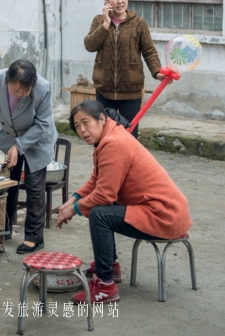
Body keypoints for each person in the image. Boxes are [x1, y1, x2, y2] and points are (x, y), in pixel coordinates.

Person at [56, 100, 192, 304]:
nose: (82, 130)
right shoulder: (109, 137)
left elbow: (104, 195)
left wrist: (74, 210)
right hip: (164, 211)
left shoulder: (113, 143)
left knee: (99, 213)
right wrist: (72, 200)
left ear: (101, 119)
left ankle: (104, 285)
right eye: (77, 126)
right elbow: (96, 179)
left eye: (86, 122)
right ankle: (110, 266)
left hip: (165, 215)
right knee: (101, 209)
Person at [0, 59, 57, 254]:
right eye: (16, 90)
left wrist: (20, 146)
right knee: (6, 183)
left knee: (34, 187)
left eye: (26, 90)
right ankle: (2, 229)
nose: (22, 94)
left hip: (37, 138)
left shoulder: (43, 88)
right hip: (8, 135)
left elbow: (42, 123)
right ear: (7, 81)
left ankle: (34, 237)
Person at [84, 0, 167, 137]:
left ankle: (127, 162)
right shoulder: (98, 21)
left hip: (131, 91)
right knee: (104, 136)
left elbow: (149, 51)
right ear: (107, 1)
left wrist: (157, 72)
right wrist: (105, 25)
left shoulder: (139, 23)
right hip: (104, 90)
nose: (120, 1)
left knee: (129, 136)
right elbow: (89, 45)